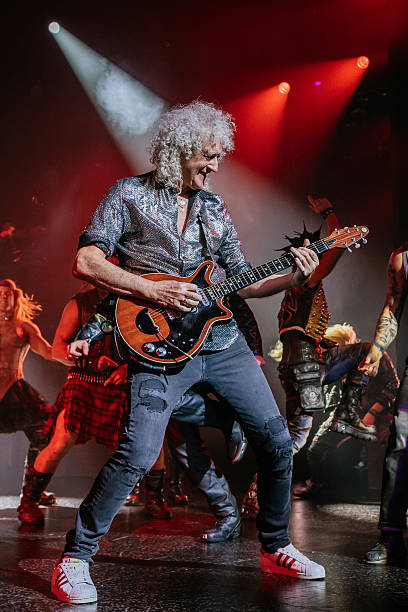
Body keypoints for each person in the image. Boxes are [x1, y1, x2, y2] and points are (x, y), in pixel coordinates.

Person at [51, 100, 324, 606]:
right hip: (157, 346)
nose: (216, 166)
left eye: (220, 156)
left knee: (275, 441)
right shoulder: (128, 195)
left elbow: (245, 281)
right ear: (178, 151)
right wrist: (151, 290)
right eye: (209, 156)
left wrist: (293, 276)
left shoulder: (213, 209)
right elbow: (86, 261)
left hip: (220, 343)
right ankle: (74, 558)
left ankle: (276, 546)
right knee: (137, 454)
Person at [292, 323, 399, 500]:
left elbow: (394, 385)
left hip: (382, 412)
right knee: (316, 448)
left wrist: (372, 413)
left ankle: (381, 493)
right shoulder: (340, 363)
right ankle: (316, 484)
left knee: (379, 449)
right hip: (352, 410)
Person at [362, 245, 408, 565]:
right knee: (400, 446)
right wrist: (378, 348)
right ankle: (390, 537)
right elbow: (393, 306)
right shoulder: (403, 257)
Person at [0, 278, 56, 525]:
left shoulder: (24, 327)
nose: (4, 298)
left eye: (8, 294)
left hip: (15, 391)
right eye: (0, 294)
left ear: (16, 298)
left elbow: (48, 351)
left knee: (45, 434)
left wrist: (76, 354)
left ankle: (33, 492)